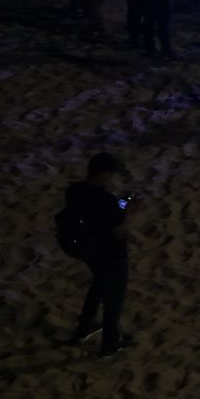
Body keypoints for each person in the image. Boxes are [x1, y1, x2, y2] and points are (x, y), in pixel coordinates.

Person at [60, 152, 135, 356]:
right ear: (103, 174)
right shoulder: (106, 200)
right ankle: (110, 344)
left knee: (99, 284)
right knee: (113, 300)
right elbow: (118, 231)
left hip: (88, 251)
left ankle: (85, 327)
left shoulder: (75, 191)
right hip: (110, 253)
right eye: (110, 174)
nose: (112, 178)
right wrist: (127, 212)